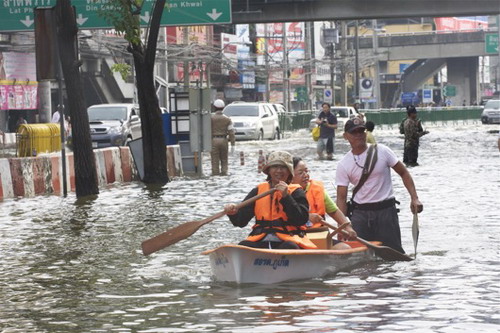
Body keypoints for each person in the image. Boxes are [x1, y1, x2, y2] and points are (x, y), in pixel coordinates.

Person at [335, 117, 424, 254]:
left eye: (361, 131)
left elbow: (404, 173)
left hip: (386, 212)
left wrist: (414, 198)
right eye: (354, 132)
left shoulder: (383, 151)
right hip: (360, 215)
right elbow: (341, 198)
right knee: (361, 258)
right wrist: (341, 226)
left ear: (366, 133)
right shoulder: (343, 164)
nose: (358, 135)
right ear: (345, 136)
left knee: (394, 255)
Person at [224, 151, 317, 250]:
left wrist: (286, 196)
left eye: (283, 167)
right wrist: (232, 213)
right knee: (243, 246)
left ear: (289, 171)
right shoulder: (258, 191)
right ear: (269, 170)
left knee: (289, 247)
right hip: (261, 239)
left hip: (288, 239)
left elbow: (300, 219)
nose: (279, 171)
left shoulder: (297, 192)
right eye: (275, 167)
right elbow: (240, 222)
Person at [292, 157, 357, 249]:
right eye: (300, 173)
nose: (306, 175)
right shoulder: (285, 192)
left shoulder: (317, 190)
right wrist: (307, 217)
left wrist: (347, 227)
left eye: (306, 171)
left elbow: (334, 211)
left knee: (344, 248)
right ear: (290, 176)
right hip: (297, 237)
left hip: (319, 235)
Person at [210, 99, 235, 176]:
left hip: (213, 140)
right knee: (224, 160)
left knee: (214, 161)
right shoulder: (227, 119)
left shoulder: (211, 118)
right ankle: (224, 173)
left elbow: (207, 131)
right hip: (224, 140)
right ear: (223, 107)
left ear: (214, 107)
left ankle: (215, 175)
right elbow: (231, 132)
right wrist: (233, 144)